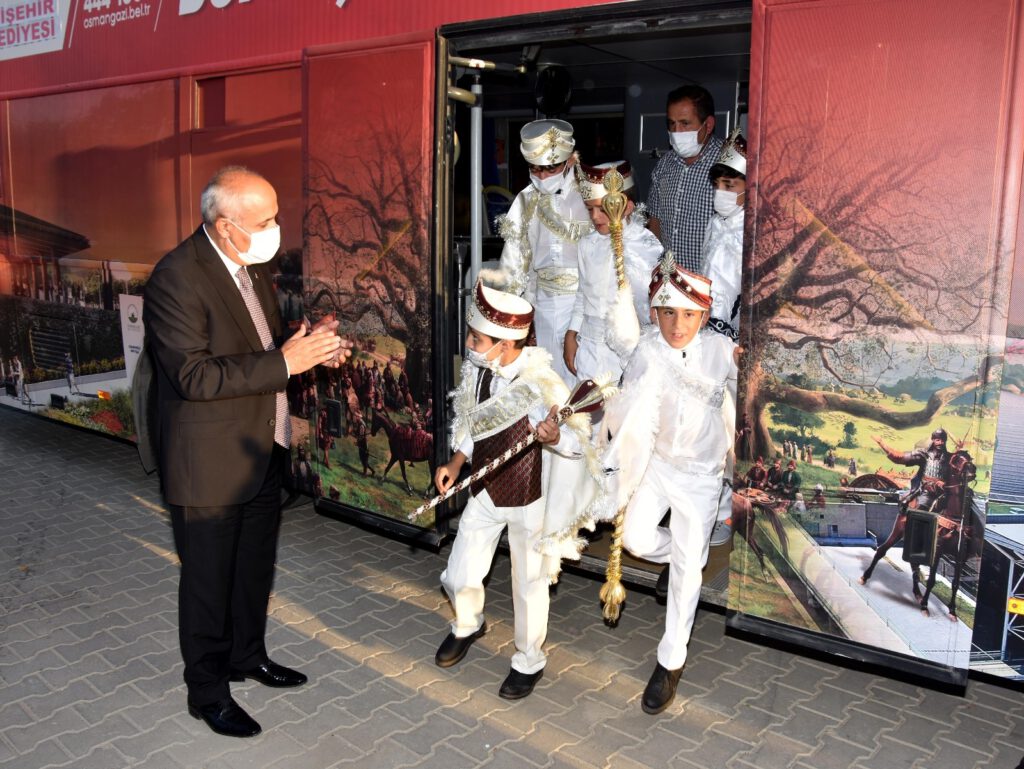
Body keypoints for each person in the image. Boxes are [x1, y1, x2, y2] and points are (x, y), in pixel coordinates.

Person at [141, 166, 349, 738]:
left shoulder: (248, 265)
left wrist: (307, 349)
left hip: (261, 445)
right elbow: (193, 375)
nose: (276, 229)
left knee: (253, 568)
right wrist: (286, 363)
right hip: (207, 462)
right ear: (227, 226)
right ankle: (206, 691)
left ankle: (247, 656)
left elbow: (260, 346)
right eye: (266, 220)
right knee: (209, 581)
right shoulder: (176, 278)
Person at [433, 273, 607, 701]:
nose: (470, 346)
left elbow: (576, 443)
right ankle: (468, 624)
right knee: (459, 571)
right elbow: (473, 423)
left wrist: (553, 436)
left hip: (529, 499)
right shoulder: (479, 369)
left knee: (528, 584)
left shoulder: (543, 384)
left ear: (506, 344)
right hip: (486, 490)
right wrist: (456, 461)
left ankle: (528, 659)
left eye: (476, 339)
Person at [601, 254, 737, 714]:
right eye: (667, 313)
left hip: (701, 476)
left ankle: (670, 660)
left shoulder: (723, 352)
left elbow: (747, 398)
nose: (678, 325)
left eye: (689, 314)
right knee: (638, 539)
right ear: (654, 312)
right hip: (658, 466)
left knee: (685, 570)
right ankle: (682, 560)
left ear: (704, 314)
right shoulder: (646, 350)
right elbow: (623, 407)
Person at [498, 119, 592, 385]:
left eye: (549, 169)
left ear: (569, 161)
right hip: (543, 304)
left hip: (585, 302)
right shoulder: (525, 199)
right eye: (535, 170)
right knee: (546, 381)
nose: (541, 177)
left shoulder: (589, 196)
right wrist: (510, 314)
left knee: (583, 378)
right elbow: (513, 262)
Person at [563, 161, 662, 385]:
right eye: (590, 209)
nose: (595, 217)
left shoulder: (644, 244)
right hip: (589, 344)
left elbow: (650, 305)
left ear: (626, 206)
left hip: (625, 352)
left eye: (602, 208)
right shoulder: (587, 244)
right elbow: (583, 293)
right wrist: (572, 332)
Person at [647, 85, 724, 273]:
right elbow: (655, 221)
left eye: (685, 123)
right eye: (671, 123)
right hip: (668, 282)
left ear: (708, 125)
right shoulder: (665, 165)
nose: (676, 131)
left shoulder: (728, 164)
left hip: (710, 284)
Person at [702, 128, 746, 341]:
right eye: (716, 185)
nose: (720, 192)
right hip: (706, 316)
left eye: (729, 185)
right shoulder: (715, 222)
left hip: (733, 325)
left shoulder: (752, 230)